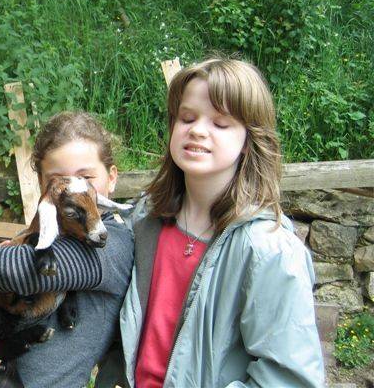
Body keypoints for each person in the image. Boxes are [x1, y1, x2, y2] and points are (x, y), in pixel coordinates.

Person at [120, 58, 325, 387]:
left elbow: (289, 379)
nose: (198, 130)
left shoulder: (270, 250)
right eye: (187, 118)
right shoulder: (144, 217)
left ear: (248, 140)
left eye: (220, 123)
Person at [0, 111, 135, 387]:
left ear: (112, 177)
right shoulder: (36, 236)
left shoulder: (113, 244)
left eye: (86, 176)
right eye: (57, 179)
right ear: (42, 184)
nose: (74, 189)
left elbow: (16, 270)